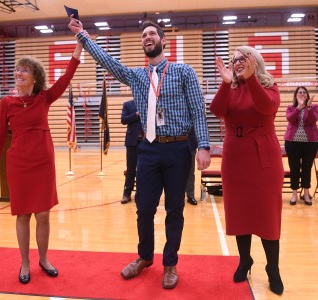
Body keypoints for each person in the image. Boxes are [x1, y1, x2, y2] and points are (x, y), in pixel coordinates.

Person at [68, 18, 211, 289]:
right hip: (148, 149)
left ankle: (170, 263)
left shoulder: (183, 72)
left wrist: (203, 146)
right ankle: (145, 257)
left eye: (152, 34)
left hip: (179, 148)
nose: (147, 37)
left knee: (174, 209)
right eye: (144, 35)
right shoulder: (136, 76)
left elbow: (198, 111)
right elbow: (108, 62)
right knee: (143, 208)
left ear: (163, 40)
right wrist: (83, 36)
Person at [0, 42, 82, 284]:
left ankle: (44, 258)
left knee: (44, 214)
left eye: (24, 69)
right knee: (23, 215)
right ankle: (25, 262)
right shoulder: (6, 103)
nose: (19, 73)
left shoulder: (44, 98)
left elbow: (66, 77)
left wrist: (78, 48)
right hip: (18, 164)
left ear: (35, 77)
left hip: (43, 163)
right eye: (17, 69)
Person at [209, 46, 284, 295]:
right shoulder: (231, 87)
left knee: (267, 216)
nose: (237, 63)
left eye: (243, 59)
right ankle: (245, 260)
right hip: (235, 157)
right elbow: (217, 110)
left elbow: (265, 107)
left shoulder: (268, 85)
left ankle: (272, 268)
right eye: (234, 60)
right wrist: (225, 83)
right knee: (240, 213)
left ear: (255, 61)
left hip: (263, 157)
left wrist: (250, 78)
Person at [284, 86, 318, 206]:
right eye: (299, 92)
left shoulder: (313, 107)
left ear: (307, 95)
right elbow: (290, 119)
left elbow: (312, 121)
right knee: (294, 167)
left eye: (304, 92)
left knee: (307, 168)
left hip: (310, 143)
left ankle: (306, 193)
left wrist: (308, 108)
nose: (302, 94)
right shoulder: (291, 107)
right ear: (296, 95)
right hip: (292, 142)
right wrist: (299, 107)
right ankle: (294, 194)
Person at [121, 99, 143, 204]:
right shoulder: (128, 104)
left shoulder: (148, 103)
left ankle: (141, 194)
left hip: (146, 142)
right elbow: (123, 120)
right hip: (132, 142)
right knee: (130, 169)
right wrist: (136, 114)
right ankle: (126, 194)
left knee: (144, 170)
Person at [186, 128, 198, 205]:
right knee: (175, 172)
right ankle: (177, 195)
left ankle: (190, 195)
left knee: (190, 172)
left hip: (190, 145)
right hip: (174, 144)